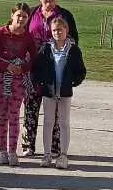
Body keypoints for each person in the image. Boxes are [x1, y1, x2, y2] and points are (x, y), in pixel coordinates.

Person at [22, 0, 80, 159]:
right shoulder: (31, 13)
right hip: (33, 69)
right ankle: (28, 145)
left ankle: (55, 147)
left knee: (55, 111)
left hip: (55, 70)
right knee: (30, 107)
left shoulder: (64, 15)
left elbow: (74, 41)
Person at [31, 13, 86, 168]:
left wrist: (74, 82)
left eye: (60, 30)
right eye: (54, 30)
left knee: (64, 123)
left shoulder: (74, 50)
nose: (57, 33)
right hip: (49, 92)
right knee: (48, 122)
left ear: (66, 30)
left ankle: (63, 155)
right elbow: (37, 68)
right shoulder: (46, 49)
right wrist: (41, 83)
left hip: (65, 92)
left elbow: (81, 70)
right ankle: (47, 155)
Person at [0, 3, 37, 165]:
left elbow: (34, 59)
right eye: (18, 15)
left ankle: (12, 151)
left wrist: (22, 68)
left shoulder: (28, 36)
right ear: (12, 15)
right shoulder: (1, 33)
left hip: (18, 80)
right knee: (3, 115)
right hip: (1, 78)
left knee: (14, 115)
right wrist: (6, 66)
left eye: (24, 16)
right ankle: (2, 151)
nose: (21, 19)